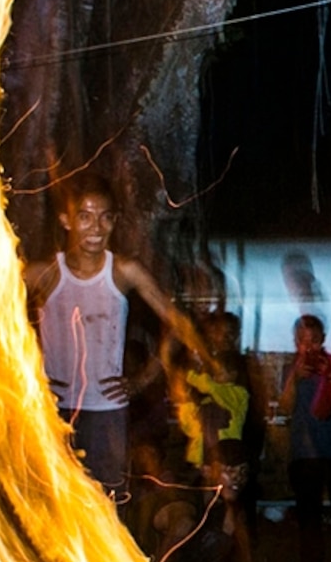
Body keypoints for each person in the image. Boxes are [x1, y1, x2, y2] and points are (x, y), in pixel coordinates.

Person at [23, 179, 203, 500]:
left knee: (107, 507)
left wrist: (142, 378)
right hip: (52, 410)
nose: (96, 226)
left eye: (105, 217)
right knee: (54, 505)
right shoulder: (44, 274)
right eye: (85, 216)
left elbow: (179, 324)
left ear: (115, 221)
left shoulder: (123, 271)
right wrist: (30, 375)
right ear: (66, 220)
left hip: (106, 412)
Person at [173, 309, 265, 562]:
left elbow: (211, 387)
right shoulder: (208, 394)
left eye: (229, 333)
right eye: (218, 331)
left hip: (230, 458)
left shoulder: (234, 389)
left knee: (232, 514)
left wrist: (191, 375)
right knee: (209, 513)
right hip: (206, 461)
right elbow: (190, 422)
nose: (223, 337)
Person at [278, 312, 331, 562]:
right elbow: (286, 408)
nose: (308, 346)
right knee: (308, 514)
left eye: (313, 340)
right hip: (304, 451)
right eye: (302, 340)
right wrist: (295, 379)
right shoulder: (292, 368)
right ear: (296, 342)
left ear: (323, 339)